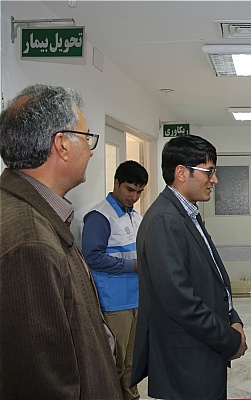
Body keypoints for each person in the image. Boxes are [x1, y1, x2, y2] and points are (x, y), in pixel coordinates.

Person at [0, 84, 121, 398]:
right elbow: (41, 381)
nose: (91, 151)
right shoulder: (30, 241)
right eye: (86, 138)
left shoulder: (34, 214)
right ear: (62, 145)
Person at [131, 134, 248, 399]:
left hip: (202, 350)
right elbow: (180, 302)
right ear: (182, 173)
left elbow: (210, 279)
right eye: (209, 172)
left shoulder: (185, 213)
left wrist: (233, 319)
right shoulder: (164, 220)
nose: (214, 180)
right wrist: (230, 340)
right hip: (187, 361)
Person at [81, 160, 148, 400]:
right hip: (114, 303)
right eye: (130, 189)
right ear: (116, 183)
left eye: (139, 192)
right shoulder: (99, 217)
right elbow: (93, 257)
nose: (134, 197)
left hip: (137, 298)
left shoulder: (136, 217)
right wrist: (135, 266)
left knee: (132, 363)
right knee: (114, 363)